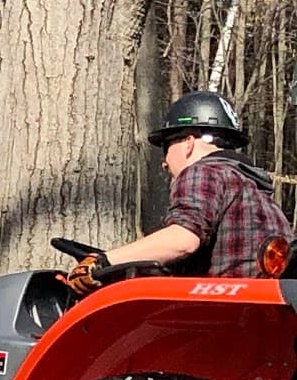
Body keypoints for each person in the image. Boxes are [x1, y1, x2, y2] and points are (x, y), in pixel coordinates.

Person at [66, 90, 292, 293]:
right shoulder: (260, 195)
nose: (164, 163)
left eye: (166, 148)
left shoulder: (203, 172)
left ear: (188, 142)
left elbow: (183, 240)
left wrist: (103, 262)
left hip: (216, 322)